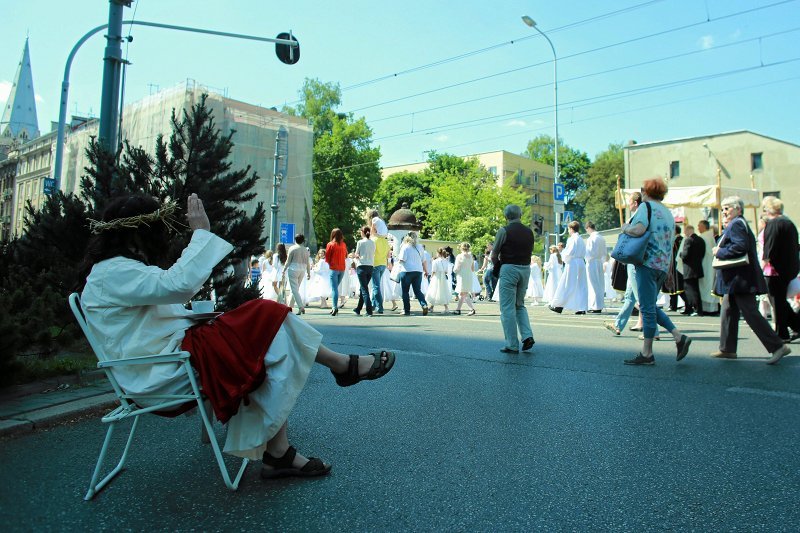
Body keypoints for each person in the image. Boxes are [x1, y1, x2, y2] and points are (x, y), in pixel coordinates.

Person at [78, 193, 395, 478]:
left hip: (170, 360)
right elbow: (178, 285)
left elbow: (158, 310)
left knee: (266, 328)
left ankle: (283, 447)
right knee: (264, 319)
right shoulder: (114, 271)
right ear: (139, 233)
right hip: (163, 371)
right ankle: (338, 370)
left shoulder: (113, 270)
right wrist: (201, 232)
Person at [619, 178, 691, 365]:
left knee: (647, 308)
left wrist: (626, 228)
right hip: (662, 265)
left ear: (646, 192)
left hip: (646, 262)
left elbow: (639, 230)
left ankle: (647, 352)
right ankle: (678, 337)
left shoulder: (646, 207)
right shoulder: (667, 213)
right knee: (649, 305)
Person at [713, 196, 792, 364]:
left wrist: (718, 252)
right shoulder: (736, 223)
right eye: (723, 209)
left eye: (727, 208)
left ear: (738, 209)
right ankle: (727, 348)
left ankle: (777, 346)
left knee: (750, 313)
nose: (724, 212)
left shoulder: (736, 224)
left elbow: (740, 246)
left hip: (740, 279)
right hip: (736, 279)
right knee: (727, 310)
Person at [491, 204, 535, 354]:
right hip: (525, 269)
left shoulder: (504, 231)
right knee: (519, 305)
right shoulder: (529, 232)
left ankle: (512, 344)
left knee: (507, 307)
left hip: (509, 268)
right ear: (520, 215)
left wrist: (497, 267)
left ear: (506, 216)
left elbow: (493, 254)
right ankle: (527, 335)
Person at [761, 196, 800, 342]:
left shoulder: (773, 224)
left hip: (774, 270)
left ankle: (782, 333)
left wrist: (765, 261)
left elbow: (770, 247)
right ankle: (796, 326)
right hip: (788, 268)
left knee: (776, 303)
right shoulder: (789, 223)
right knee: (780, 302)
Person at [604, 192, 644, 336]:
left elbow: (635, 234)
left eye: (630, 202)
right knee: (630, 296)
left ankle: (656, 330)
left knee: (641, 299)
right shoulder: (637, 216)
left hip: (634, 260)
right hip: (631, 260)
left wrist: (625, 228)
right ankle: (618, 325)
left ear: (636, 202)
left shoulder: (640, 216)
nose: (628, 204)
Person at [549, 221, 588, 315]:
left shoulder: (572, 239)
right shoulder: (581, 239)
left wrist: (564, 258)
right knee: (581, 285)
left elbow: (569, 252)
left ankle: (559, 305)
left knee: (568, 284)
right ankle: (581, 307)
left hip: (573, 262)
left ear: (571, 229)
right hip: (581, 262)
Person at [396, 232, 429, 316]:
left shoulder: (405, 247)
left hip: (407, 271)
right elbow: (424, 260)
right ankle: (424, 304)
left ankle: (406, 310)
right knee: (417, 290)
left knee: (405, 291)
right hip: (418, 271)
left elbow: (402, 260)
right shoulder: (420, 247)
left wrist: (397, 258)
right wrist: (426, 271)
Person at [367, 209, 390, 315]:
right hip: (383, 265)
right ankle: (372, 304)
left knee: (375, 286)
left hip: (375, 264)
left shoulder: (373, 240)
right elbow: (388, 254)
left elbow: (370, 253)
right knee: (376, 285)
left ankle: (379, 306)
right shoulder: (385, 240)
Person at [680, 225, 705, 316]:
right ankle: (698, 309)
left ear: (688, 231)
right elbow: (702, 254)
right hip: (698, 268)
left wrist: (681, 254)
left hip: (689, 269)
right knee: (696, 289)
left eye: (685, 231)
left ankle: (695, 309)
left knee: (690, 290)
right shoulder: (701, 240)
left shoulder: (688, 240)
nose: (684, 233)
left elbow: (685, 255)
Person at [283, 234, 311, 315]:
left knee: (294, 289)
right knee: (295, 289)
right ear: (303, 240)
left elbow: (288, 261)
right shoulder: (306, 250)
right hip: (302, 270)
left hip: (293, 269)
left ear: (295, 240)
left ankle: (300, 306)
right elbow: (308, 263)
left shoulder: (292, 248)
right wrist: (308, 273)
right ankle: (289, 307)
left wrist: (284, 269)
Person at [584, 222, 607, 313]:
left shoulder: (591, 238)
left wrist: (586, 260)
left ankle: (595, 306)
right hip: (599, 262)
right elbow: (605, 252)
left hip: (592, 262)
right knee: (600, 284)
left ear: (588, 228)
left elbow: (588, 252)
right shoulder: (601, 238)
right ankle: (599, 304)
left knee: (592, 284)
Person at [325, 228, 348, 316]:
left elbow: (327, 258)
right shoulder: (343, 245)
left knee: (334, 289)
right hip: (342, 268)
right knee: (335, 289)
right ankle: (333, 307)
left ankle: (334, 307)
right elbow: (346, 256)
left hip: (333, 268)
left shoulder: (330, 244)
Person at [353, 226, 376, 316]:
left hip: (362, 265)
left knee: (364, 289)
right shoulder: (373, 243)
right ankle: (358, 308)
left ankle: (369, 310)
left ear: (362, 232)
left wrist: (357, 256)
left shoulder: (360, 242)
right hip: (370, 266)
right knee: (364, 287)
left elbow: (356, 254)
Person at [697, 220, 718, 315]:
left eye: (699, 226)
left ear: (704, 227)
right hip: (707, 264)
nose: (698, 228)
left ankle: (709, 308)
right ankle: (709, 308)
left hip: (706, 264)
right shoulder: (709, 236)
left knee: (707, 285)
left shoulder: (704, 237)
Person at [663, 225, 685, 312]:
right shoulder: (679, 239)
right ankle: (673, 305)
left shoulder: (677, 240)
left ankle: (687, 305)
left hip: (675, 265)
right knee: (673, 287)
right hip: (673, 265)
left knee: (677, 287)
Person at [453, 242, 477, 316]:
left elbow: (457, 268)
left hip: (462, 276)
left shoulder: (459, 256)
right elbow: (473, 269)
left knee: (464, 293)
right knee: (462, 293)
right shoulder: (471, 256)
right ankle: (458, 309)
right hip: (469, 275)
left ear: (461, 248)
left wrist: (454, 271)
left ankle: (471, 309)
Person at [426, 248, 452, 313]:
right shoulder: (446, 261)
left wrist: (431, 277)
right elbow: (446, 271)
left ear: (438, 253)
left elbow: (433, 271)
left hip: (436, 277)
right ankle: (443, 307)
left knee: (434, 290)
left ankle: (432, 307)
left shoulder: (435, 261)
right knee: (443, 291)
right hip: (443, 277)